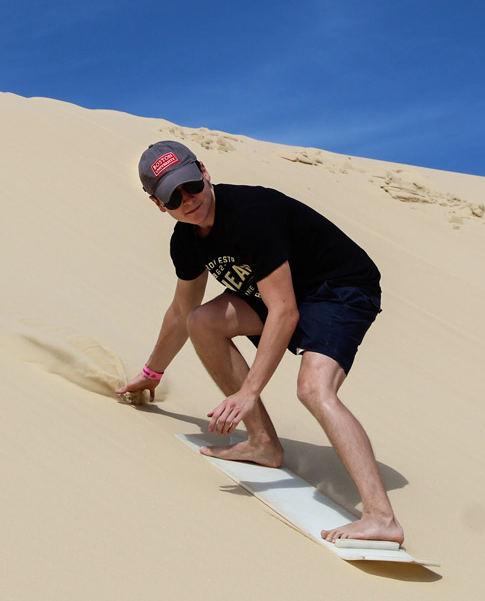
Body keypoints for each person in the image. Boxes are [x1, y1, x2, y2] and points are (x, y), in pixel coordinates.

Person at [116, 140, 403, 545]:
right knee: (202, 321)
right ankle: (263, 444)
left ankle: (381, 518)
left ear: (204, 172)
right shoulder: (186, 241)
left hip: (337, 287)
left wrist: (250, 392)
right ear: (158, 205)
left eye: (191, 185)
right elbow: (182, 311)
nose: (188, 200)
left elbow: (284, 311)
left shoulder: (251, 215)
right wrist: (151, 373)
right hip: (284, 292)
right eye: (173, 197)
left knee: (314, 389)